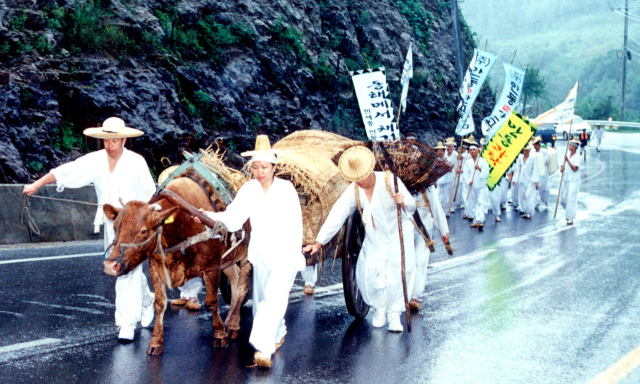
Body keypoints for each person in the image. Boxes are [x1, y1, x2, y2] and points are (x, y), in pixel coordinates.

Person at [23, 117, 156, 341]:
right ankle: (146, 299)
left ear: (123, 139)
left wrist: (147, 223)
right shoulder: (95, 160)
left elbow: (150, 194)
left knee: (126, 270)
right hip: (110, 224)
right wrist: (37, 184)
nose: (110, 145)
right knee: (122, 269)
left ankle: (126, 323)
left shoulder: (137, 162)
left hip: (134, 229)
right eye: (106, 140)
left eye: (114, 140)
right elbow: (68, 171)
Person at [194, 135, 305, 368]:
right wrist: (208, 216)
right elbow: (233, 219)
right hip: (261, 255)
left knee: (273, 298)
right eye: (255, 167)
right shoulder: (249, 189)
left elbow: (296, 226)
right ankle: (278, 332)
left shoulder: (286, 190)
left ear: (274, 167)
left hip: (284, 254)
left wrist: (295, 257)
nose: (259, 171)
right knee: (262, 302)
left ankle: (263, 353)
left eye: (264, 167)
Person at [304, 146, 416, 333]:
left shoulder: (390, 180)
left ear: (370, 170)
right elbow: (337, 214)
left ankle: (394, 314)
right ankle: (379, 309)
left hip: (398, 234)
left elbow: (412, 207)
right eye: (356, 179)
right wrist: (319, 242)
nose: (360, 182)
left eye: (362, 177)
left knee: (395, 275)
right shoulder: (355, 189)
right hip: (374, 237)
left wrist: (403, 201)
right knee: (370, 274)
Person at [410, 183, 449, 310]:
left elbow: (436, 208)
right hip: (406, 225)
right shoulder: (400, 182)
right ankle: (404, 294)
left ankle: (415, 296)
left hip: (424, 227)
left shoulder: (428, 185)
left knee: (419, 260)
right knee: (406, 261)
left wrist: (443, 230)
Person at [463, 138, 490, 229]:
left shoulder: (482, 161)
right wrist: (468, 181)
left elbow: (486, 173)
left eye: (474, 150)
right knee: (473, 203)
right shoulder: (467, 162)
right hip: (472, 186)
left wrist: (479, 168)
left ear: (478, 151)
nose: (472, 151)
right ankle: (475, 219)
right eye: (470, 150)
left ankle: (480, 220)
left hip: (481, 185)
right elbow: (465, 174)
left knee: (481, 202)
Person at [560, 136, 583, 225]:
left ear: (574, 147)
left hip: (573, 181)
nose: (569, 146)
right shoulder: (567, 155)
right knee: (563, 199)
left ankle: (570, 217)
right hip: (566, 179)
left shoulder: (578, 157)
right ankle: (568, 212)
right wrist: (561, 169)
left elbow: (574, 168)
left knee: (571, 199)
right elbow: (562, 167)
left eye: (570, 145)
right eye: (569, 144)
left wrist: (568, 161)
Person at [516, 143, 540, 219]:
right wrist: (515, 179)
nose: (524, 152)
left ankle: (530, 212)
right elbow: (518, 169)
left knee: (529, 196)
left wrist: (535, 180)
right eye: (523, 150)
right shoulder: (520, 158)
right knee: (522, 195)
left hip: (530, 180)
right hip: (522, 180)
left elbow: (536, 170)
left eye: (525, 150)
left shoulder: (532, 159)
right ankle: (523, 209)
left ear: (528, 151)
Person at [440, 138, 458, 216]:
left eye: (451, 146)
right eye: (448, 146)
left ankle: (450, 208)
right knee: (440, 195)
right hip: (441, 179)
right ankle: (440, 209)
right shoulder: (439, 158)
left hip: (451, 177)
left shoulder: (456, 155)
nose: (449, 148)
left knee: (449, 193)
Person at [532, 137, 550, 208]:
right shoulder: (533, 152)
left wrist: (539, 160)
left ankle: (546, 201)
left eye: (535, 145)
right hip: (536, 173)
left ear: (538, 144)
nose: (534, 147)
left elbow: (546, 160)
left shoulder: (544, 151)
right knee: (536, 186)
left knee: (544, 188)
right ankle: (536, 202)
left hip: (543, 172)